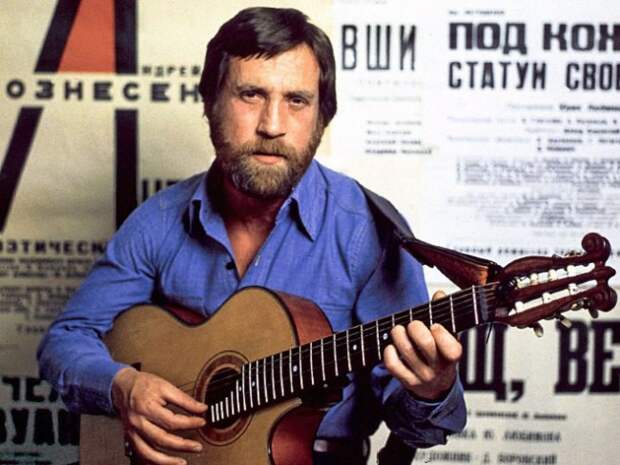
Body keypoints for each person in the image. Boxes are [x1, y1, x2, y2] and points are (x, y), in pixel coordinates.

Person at [38, 7, 466, 465]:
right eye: (251, 95)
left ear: (322, 118)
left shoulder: (369, 233)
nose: (272, 125)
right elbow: (65, 341)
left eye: (297, 100)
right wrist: (122, 387)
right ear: (210, 103)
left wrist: (431, 390)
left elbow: (421, 428)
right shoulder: (159, 221)